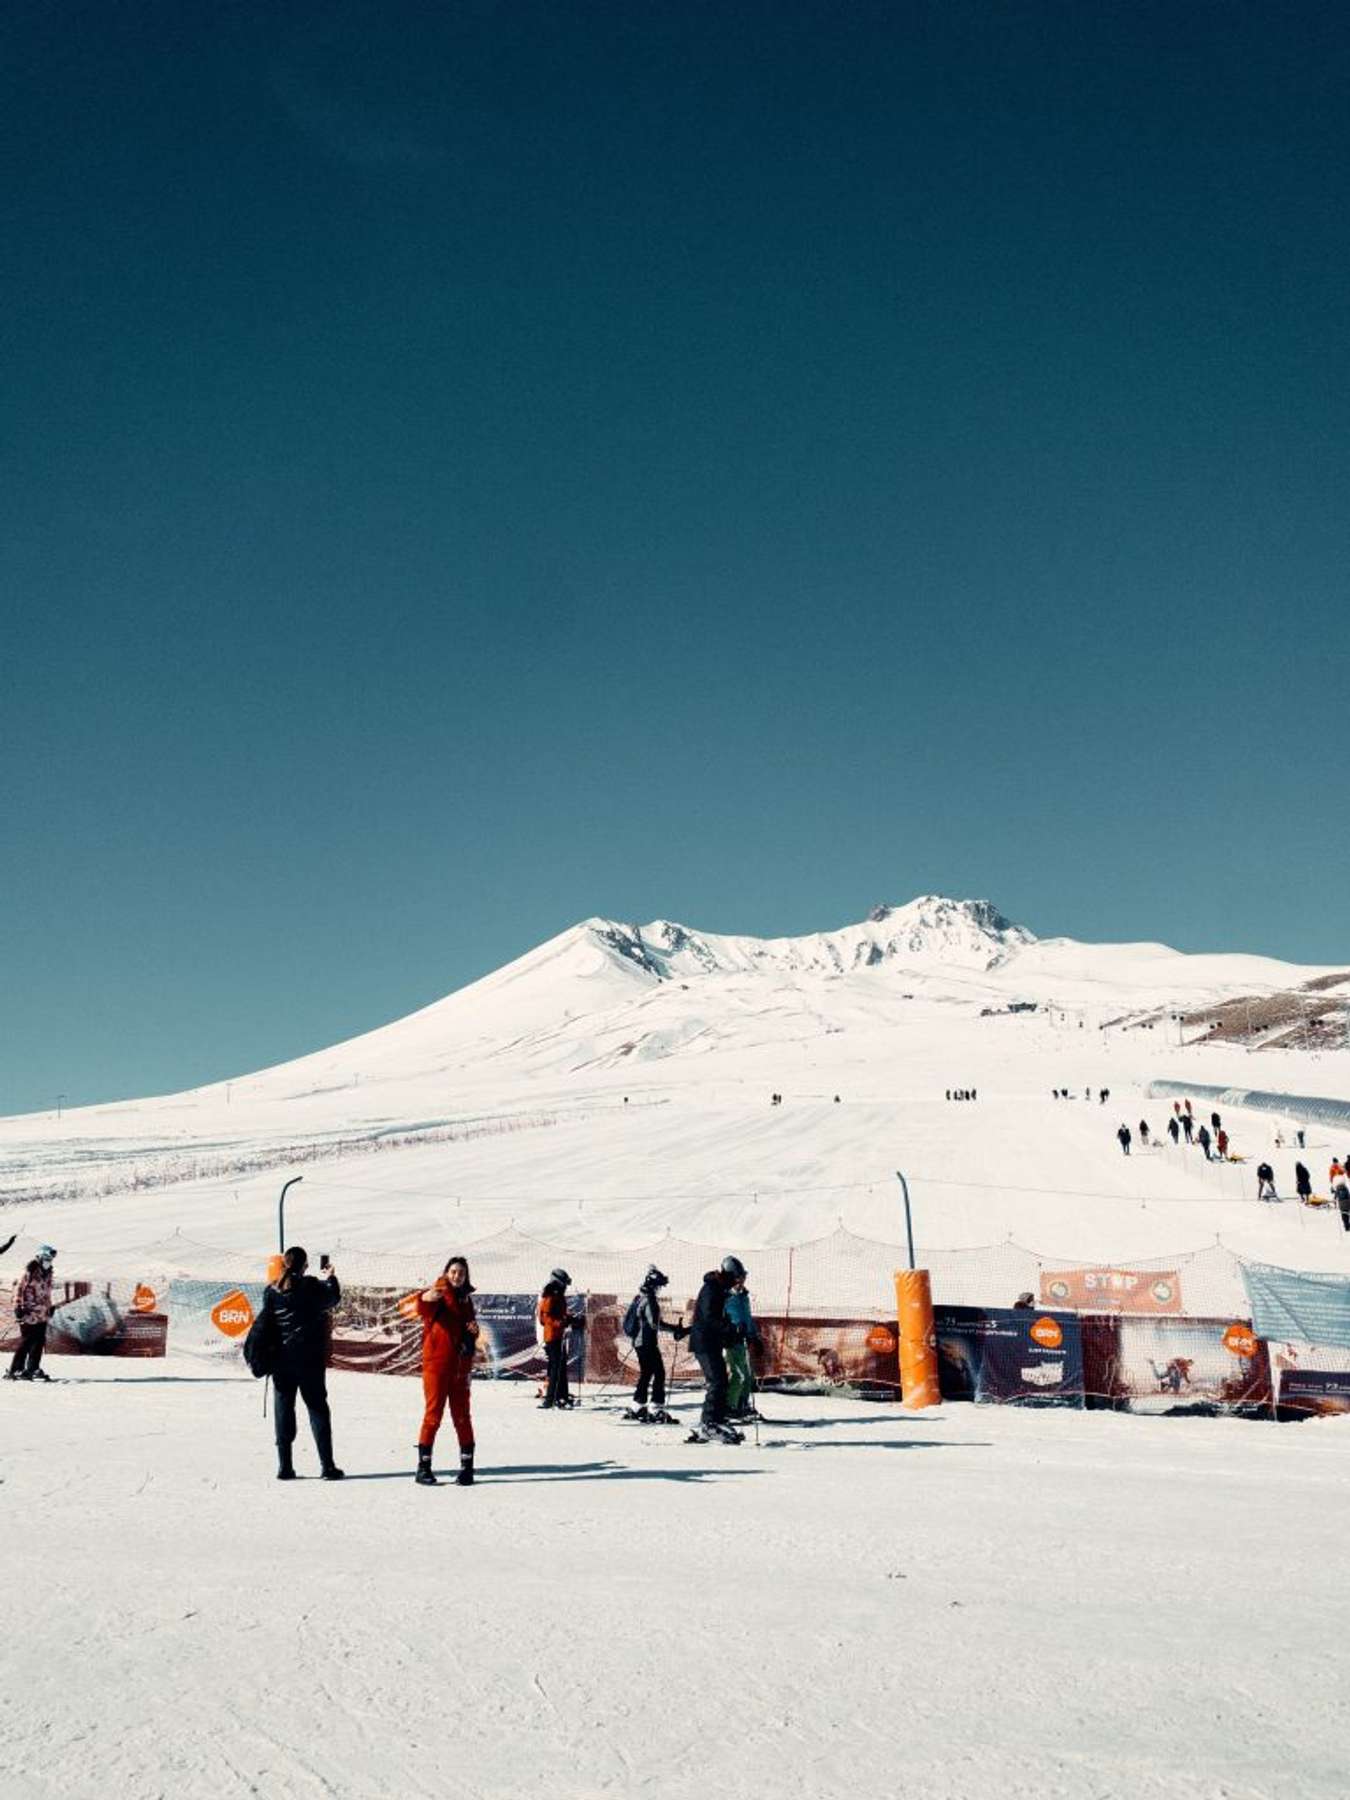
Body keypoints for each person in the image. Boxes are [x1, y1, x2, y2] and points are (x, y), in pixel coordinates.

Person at [263, 1246, 342, 1480]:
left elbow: (267, 1321)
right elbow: (333, 1297)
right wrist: (332, 1277)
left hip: (281, 1361)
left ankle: (284, 1466)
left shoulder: (272, 1290)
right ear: (305, 1265)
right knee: (317, 1409)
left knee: (283, 1410)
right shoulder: (312, 1286)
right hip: (309, 1360)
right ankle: (327, 1466)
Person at [414, 1255, 479, 1487]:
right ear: (446, 1272)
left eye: (461, 1272)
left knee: (462, 1417)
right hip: (437, 1365)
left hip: (460, 1367)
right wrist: (425, 1297)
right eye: (453, 1271)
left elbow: (471, 1329)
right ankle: (423, 1468)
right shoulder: (439, 1291)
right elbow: (422, 1306)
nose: (457, 1276)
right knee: (433, 1416)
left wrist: (473, 1331)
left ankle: (467, 1469)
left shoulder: (466, 1300)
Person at [688, 1258, 744, 1443]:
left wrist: (733, 1333)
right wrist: (730, 1329)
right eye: (735, 1277)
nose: (737, 1282)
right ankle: (709, 1423)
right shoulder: (712, 1289)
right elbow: (709, 1318)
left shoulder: (719, 1289)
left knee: (721, 1381)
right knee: (717, 1382)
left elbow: (719, 1319)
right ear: (728, 1274)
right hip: (704, 1343)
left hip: (711, 1342)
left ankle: (717, 1419)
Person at [624, 1265, 686, 1423]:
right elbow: (654, 1323)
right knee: (659, 1373)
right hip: (646, 1342)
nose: (659, 1289)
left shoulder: (639, 1297)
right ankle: (656, 1408)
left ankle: (637, 1406)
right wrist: (674, 1329)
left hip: (639, 1342)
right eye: (659, 1285)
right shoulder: (649, 1299)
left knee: (646, 1373)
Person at [6, 1245, 56, 1381]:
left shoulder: (49, 1273)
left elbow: (47, 1293)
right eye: (46, 1258)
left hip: (42, 1314)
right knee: (27, 1341)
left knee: (39, 1341)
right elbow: (18, 1289)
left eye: (50, 1259)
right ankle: (16, 1369)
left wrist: (50, 1307)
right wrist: (17, 1307)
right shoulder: (28, 1272)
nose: (48, 1261)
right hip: (28, 1312)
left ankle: (33, 1368)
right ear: (39, 1257)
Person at [537, 1268, 584, 1409]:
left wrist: (572, 1319)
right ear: (558, 1282)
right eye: (564, 1284)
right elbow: (545, 1318)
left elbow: (560, 1314)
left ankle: (562, 1396)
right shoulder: (550, 1296)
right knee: (556, 1368)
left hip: (559, 1335)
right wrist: (561, 1322)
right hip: (552, 1337)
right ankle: (550, 1400)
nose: (565, 1287)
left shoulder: (558, 1296)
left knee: (561, 1367)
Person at [724, 1267, 763, 1423]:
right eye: (738, 1279)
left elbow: (747, 1318)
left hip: (743, 1340)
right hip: (730, 1340)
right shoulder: (725, 1296)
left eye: (743, 1279)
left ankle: (742, 1404)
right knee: (738, 1375)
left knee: (747, 1376)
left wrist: (755, 1336)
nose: (741, 1282)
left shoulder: (743, 1297)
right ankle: (730, 1406)